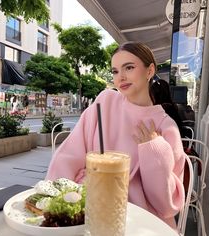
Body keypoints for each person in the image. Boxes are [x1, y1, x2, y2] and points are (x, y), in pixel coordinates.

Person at [46, 42, 186, 228]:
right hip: (87, 208)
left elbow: (167, 206)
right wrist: (53, 199)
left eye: (129, 67)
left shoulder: (166, 126)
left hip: (137, 220)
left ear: (150, 71)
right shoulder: (105, 102)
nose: (121, 77)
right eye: (115, 71)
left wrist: (154, 150)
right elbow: (69, 155)